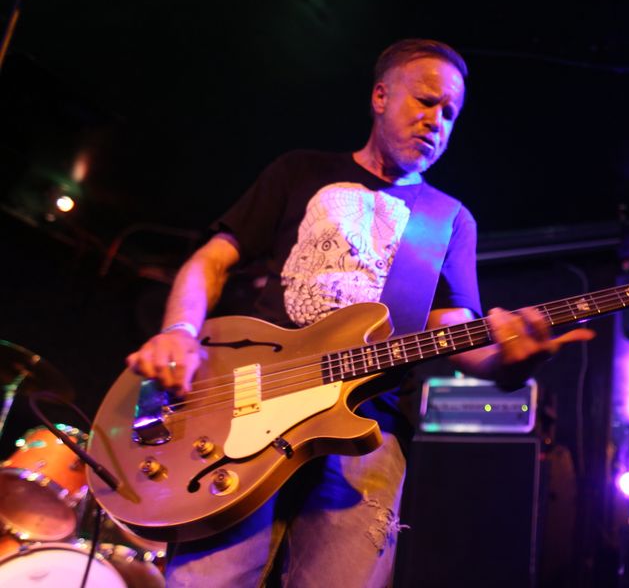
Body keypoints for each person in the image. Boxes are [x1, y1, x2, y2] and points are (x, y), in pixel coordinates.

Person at [126, 38, 594, 587]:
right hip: (249, 408)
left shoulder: (449, 219)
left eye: (450, 113)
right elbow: (212, 260)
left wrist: (510, 361)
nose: (436, 121)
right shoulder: (299, 171)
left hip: (368, 430)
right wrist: (179, 330)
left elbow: (453, 332)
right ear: (380, 96)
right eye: (425, 101)